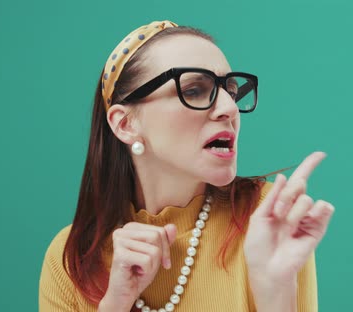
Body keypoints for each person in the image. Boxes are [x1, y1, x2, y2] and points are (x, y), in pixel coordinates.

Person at [39, 20, 335, 312]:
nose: (230, 108)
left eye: (230, 91)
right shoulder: (72, 258)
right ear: (126, 124)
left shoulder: (269, 218)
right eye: (194, 90)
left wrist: (276, 292)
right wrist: (115, 305)